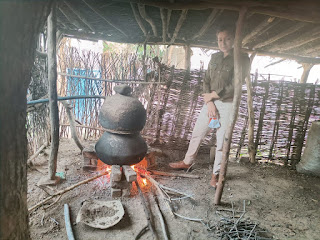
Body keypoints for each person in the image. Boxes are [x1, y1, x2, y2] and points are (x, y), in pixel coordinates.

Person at [169, 25, 250, 188]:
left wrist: (213, 96)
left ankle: (216, 174)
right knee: (198, 132)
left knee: (222, 140)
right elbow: (205, 80)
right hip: (211, 103)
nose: (223, 42)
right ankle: (187, 161)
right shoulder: (214, 58)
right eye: (220, 39)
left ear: (233, 39)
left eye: (227, 39)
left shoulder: (242, 58)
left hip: (227, 104)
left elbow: (236, 84)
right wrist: (210, 102)